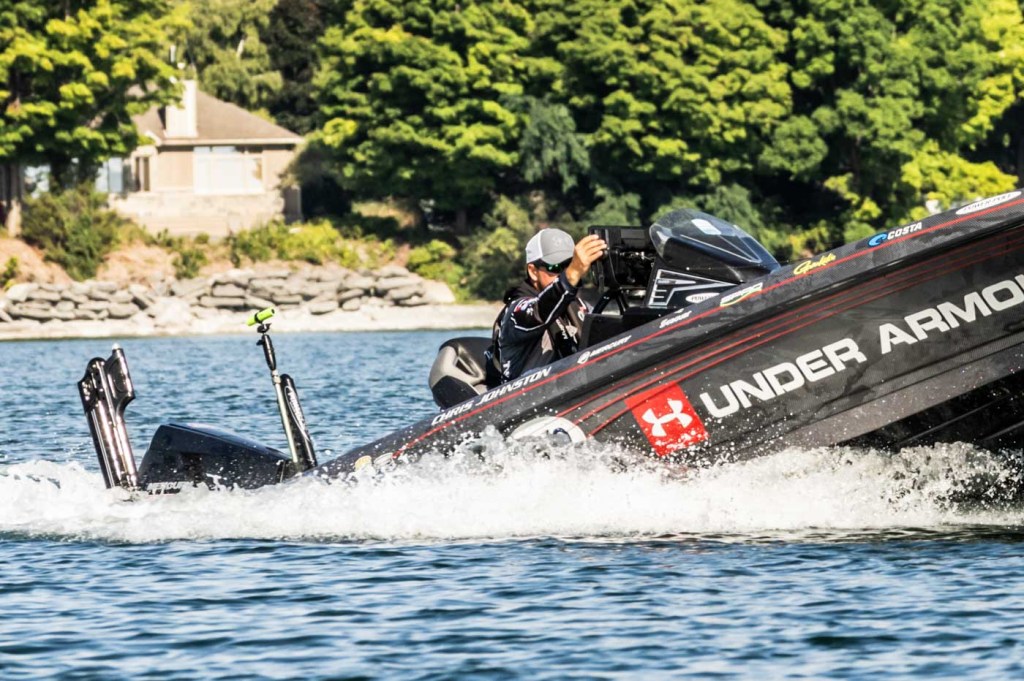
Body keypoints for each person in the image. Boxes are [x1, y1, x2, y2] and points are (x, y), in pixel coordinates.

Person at [487, 228, 608, 384]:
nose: (564, 273)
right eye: (555, 268)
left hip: (575, 387)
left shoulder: (578, 305)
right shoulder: (516, 310)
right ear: (533, 271)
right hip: (529, 393)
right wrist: (571, 275)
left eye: (569, 265)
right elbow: (540, 311)